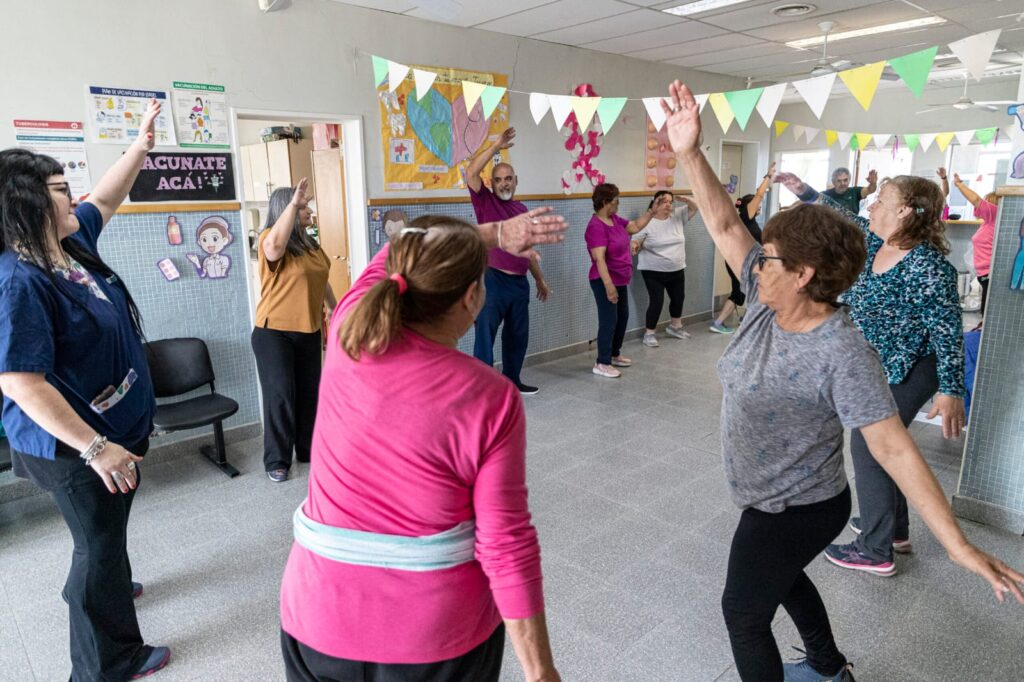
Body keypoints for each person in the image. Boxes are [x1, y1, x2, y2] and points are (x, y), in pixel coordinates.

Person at [663, 79, 1024, 682]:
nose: (754, 261)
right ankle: (830, 668)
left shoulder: (842, 350)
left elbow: (894, 449)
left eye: (768, 255)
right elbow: (724, 224)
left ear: (802, 273)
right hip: (765, 494)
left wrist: (958, 545)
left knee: (743, 613)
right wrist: (689, 153)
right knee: (783, 579)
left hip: (799, 508)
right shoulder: (764, 295)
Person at [278, 209, 566, 682]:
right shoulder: (489, 396)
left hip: (317, 617)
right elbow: (504, 543)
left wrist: (493, 234)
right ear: (472, 297)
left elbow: (400, 246)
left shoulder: (348, 331)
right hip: (434, 639)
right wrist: (541, 671)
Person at [0, 100, 171, 680]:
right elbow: (20, 382)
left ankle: (110, 582)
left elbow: (107, 198)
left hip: (114, 430)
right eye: (60, 189)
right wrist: (96, 448)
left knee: (106, 538)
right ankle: (107, 663)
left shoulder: (67, 248)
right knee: (95, 547)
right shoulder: (19, 281)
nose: (74, 197)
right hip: (74, 447)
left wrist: (140, 147)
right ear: (26, 202)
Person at [775, 168, 966, 577]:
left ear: (904, 211)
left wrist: (951, 390)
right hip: (879, 363)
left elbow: (948, 332)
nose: (872, 205)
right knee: (884, 444)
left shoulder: (928, 267)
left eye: (881, 199)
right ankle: (894, 530)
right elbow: (840, 215)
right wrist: (802, 190)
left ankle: (875, 550)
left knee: (872, 444)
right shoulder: (875, 240)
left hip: (912, 367)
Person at [252, 181, 337, 482]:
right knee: (280, 396)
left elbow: (321, 280)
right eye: (303, 207)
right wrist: (293, 204)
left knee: (309, 394)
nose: (309, 211)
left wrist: (335, 309)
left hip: (308, 330)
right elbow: (276, 246)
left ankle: (307, 449)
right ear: (285, 209)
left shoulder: (311, 245)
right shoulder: (269, 240)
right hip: (273, 332)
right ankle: (277, 459)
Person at [465, 127, 550, 395]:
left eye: (508, 179)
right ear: (492, 183)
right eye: (499, 179)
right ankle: (483, 388)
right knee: (485, 336)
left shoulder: (522, 210)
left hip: (519, 284)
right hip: (493, 281)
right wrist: (496, 145)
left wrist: (539, 279)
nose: (504, 183)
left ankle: (512, 380)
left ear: (516, 181)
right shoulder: (485, 202)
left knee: (517, 336)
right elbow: (470, 172)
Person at [586, 183, 655, 378]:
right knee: (608, 321)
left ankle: (614, 354)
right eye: (616, 200)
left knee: (622, 317)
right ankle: (602, 362)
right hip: (603, 280)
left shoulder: (614, 219)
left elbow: (634, 227)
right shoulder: (595, 227)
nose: (618, 204)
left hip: (620, 279)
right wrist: (609, 287)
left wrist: (651, 212)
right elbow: (599, 259)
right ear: (606, 202)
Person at [710, 166, 774, 334]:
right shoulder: (746, 216)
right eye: (756, 204)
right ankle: (718, 322)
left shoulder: (745, 219)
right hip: (740, 262)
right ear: (748, 206)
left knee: (752, 290)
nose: (759, 206)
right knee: (739, 293)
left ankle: (745, 319)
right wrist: (768, 176)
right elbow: (759, 194)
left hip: (742, 261)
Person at [631, 190, 697, 347]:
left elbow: (695, 207)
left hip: (677, 268)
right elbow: (636, 240)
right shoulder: (647, 221)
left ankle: (675, 327)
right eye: (664, 201)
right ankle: (649, 334)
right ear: (655, 202)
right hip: (653, 270)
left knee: (678, 298)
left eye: (671, 202)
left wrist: (685, 199)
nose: (669, 204)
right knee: (657, 301)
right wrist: (635, 245)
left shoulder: (677, 215)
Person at [953, 172, 999, 314]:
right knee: (986, 312)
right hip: (984, 274)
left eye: (986, 202)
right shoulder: (988, 223)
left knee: (987, 312)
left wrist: (959, 185)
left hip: (990, 274)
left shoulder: (995, 215)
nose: (981, 207)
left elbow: (976, 200)